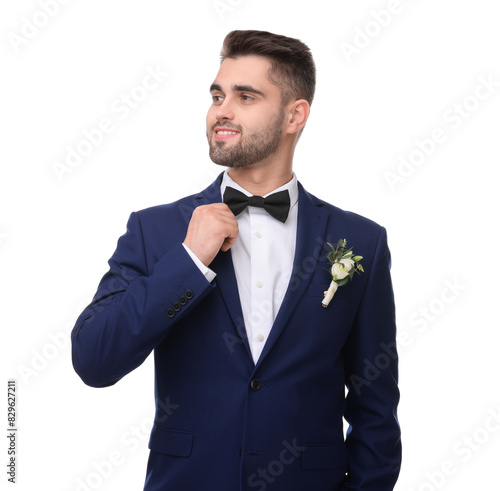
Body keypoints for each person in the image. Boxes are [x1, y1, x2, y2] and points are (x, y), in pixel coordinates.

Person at [71, 30, 401, 491]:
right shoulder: (155, 230)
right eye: (217, 95)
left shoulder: (360, 240)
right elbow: (94, 360)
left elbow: (375, 406)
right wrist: (188, 261)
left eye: (246, 97)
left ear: (295, 115)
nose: (221, 111)